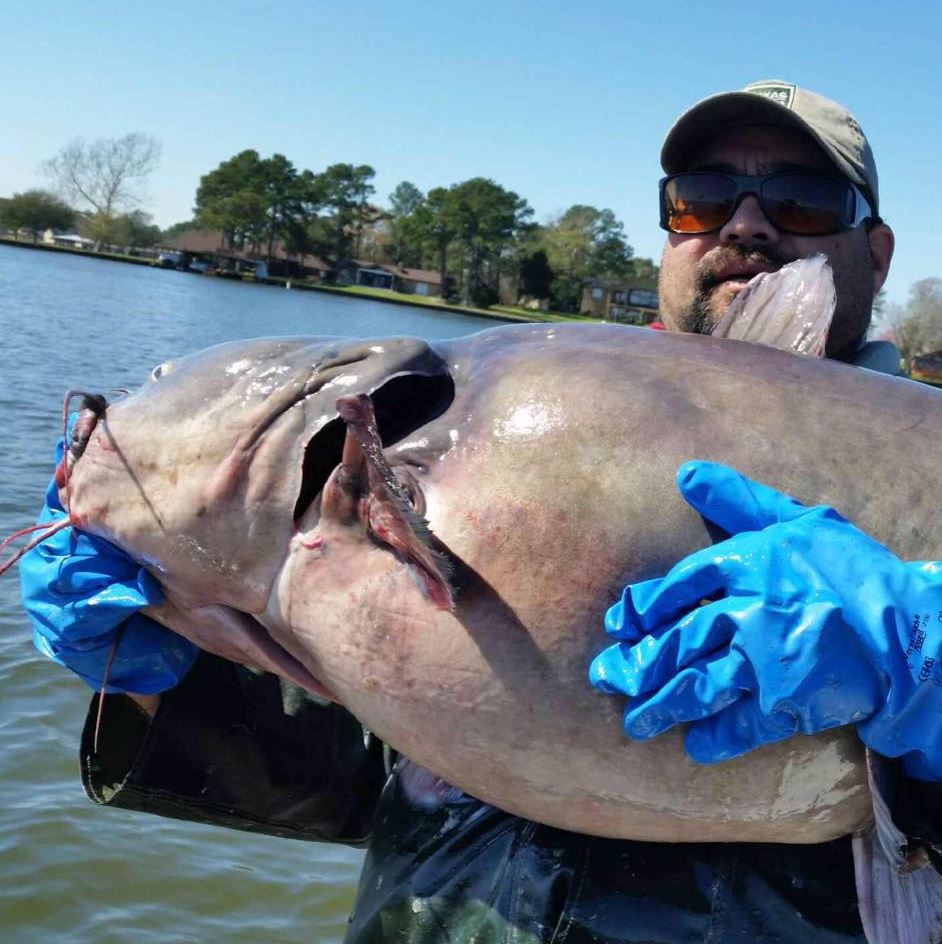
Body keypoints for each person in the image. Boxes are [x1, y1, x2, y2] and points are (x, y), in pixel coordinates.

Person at [19, 80, 942, 943]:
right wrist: (157, 670)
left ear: (877, 252)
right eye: (701, 198)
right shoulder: (494, 411)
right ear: (669, 231)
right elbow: (352, 777)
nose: (745, 225)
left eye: (802, 202)